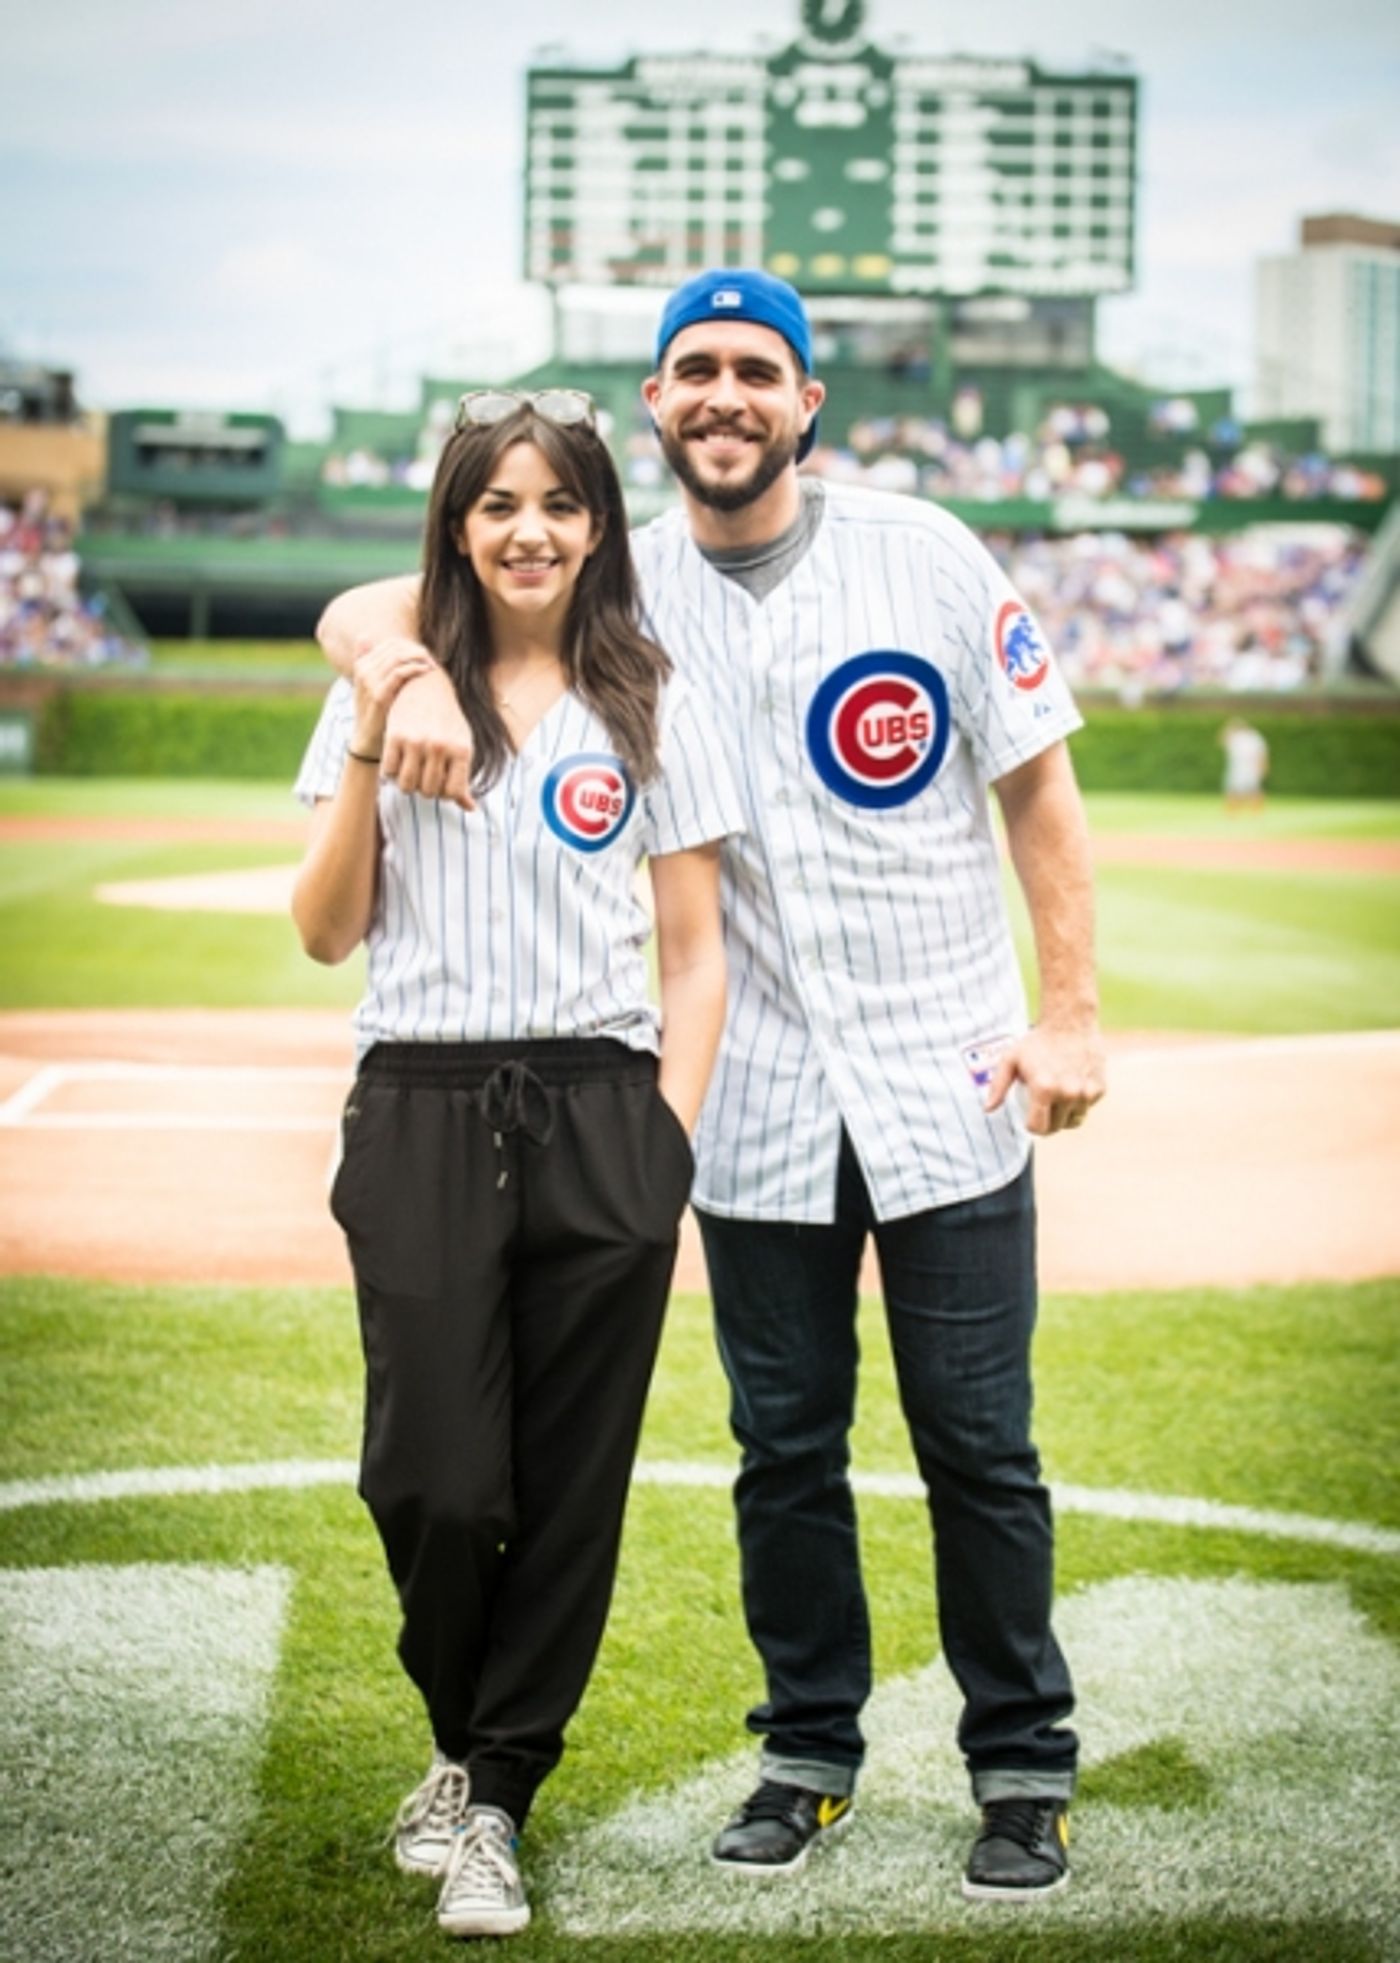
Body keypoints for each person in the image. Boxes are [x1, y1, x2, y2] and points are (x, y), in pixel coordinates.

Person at [316, 270, 1107, 1905]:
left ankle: (1021, 1759)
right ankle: (808, 1748)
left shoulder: (929, 553)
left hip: (943, 1067)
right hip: (751, 1108)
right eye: (696, 369)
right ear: (659, 404)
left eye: (759, 368)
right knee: (785, 1445)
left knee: (980, 1440)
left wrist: (1073, 1009)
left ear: (807, 399)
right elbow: (384, 603)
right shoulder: (620, 587)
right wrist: (387, 670)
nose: (727, 394)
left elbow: (1038, 786)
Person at [293, 388, 741, 1940]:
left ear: (599, 524)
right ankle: (458, 1734)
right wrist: (374, 715)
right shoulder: (388, 680)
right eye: (498, 503)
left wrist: (664, 1145)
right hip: (417, 1101)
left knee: (566, 1490)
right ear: (459, 522)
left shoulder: (653, 696)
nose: (529, 529)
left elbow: (696, 952)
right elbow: (326, 927)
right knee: (428, 1473)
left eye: (558, 503)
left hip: (603, 1110)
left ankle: (494, 1794)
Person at [1220, 715, 1270, 811]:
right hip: (1236, 768)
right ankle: (1232, 812)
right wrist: (1229, 729)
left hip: (1251, 768)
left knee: (1254, 790)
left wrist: (1262, 767)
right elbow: (1223, 741)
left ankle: (1256, 811)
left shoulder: (1254, 737)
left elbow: (1261, 753)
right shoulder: (1235, 737)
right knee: (1233, 790)